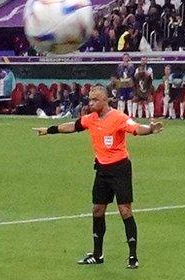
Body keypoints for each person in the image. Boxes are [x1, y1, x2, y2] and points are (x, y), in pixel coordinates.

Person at [35, 85, 160, 269]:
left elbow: (135, 128)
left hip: (120, 168)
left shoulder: (118, 117)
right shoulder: (90, 119)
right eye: (90, 99)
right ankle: (97, 254)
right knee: (97, 210)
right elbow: (73, 126)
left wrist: (149, 129)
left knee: (125, 210)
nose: (91, 102)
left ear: (105, 100)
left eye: (95, 100)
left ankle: (133, 256)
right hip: (102, 170)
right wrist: (49, 130)